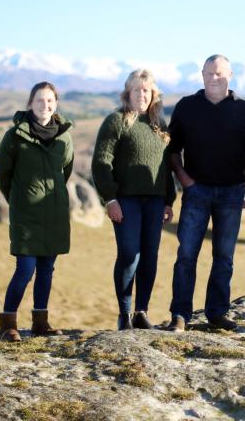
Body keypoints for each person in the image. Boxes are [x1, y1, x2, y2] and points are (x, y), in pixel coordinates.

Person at [166, 54, 245, 332]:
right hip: (196, 192)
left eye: (219, 74)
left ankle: (217, 313)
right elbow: (172, 149)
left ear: (230, 76)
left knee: (224, 257)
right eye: (209, 73)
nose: (214, 78)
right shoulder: (187, 107)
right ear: (201, 75)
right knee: (186, 255)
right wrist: (185, 180)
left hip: (232, 193)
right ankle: (180, 314)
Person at [92, 69, 176, 330]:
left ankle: (141, 312)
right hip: (125, 201)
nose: (142, 94)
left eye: (147, 90)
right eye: (137, 89)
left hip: (155, 201)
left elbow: (165, 166)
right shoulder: (116, 121)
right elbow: (101, 163)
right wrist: (110, 199)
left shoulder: (159, 125)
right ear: (127, 93)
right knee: (129, 254)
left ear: (154, 95)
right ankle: (124, 314)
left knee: (150, 256)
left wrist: (169, 200)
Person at [0, 82, 74, 342]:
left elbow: (65, 171)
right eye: (40, 100)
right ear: (30, 103)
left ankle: (40, 323)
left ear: (56, 104)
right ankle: (8, 324)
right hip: (26, 216)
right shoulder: (15, 135)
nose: (45, 105)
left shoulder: (64, 136)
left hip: (53, 215)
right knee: (25, 269)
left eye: (50, 101)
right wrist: (20, 199)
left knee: (47, 269)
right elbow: (2, 175)